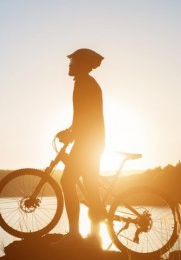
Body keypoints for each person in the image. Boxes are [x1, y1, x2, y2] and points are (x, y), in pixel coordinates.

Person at [55, 48, 105, 248]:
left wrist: (71, 133)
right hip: (92, 141)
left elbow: (85, 117)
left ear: (82, 65)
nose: (70, 64)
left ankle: (75, 234)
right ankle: (94, 236)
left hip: (88, 143)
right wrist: (71, 131)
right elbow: (82, 117)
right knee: (91, 186)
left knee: (67, 181)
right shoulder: (85, 83)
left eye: (73, 62)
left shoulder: (85, 84)